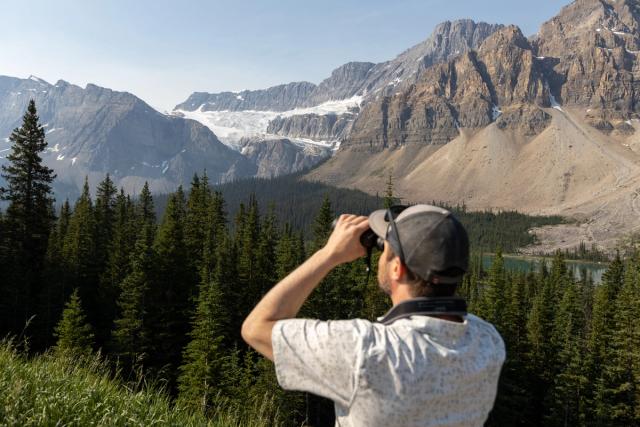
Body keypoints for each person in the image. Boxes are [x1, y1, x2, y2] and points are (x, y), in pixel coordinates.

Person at [242, 204, 505, 426]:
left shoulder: (365, 351)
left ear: (397, 269)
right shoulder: (487, 343)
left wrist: (329, 254)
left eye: (385, 249)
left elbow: (256, 327)